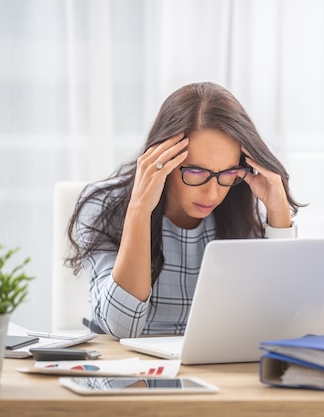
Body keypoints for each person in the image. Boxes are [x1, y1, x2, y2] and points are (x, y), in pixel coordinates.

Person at [66, 82, 303, 339]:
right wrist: (139, 209)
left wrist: (278, 214)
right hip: (126, 369)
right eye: (196, 172)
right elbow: (121, 327)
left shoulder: (240, 206)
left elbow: (279, 320)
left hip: (211, 367)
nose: (213, 193)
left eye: (228, 173)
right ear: (162, 159)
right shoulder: (103, 206)